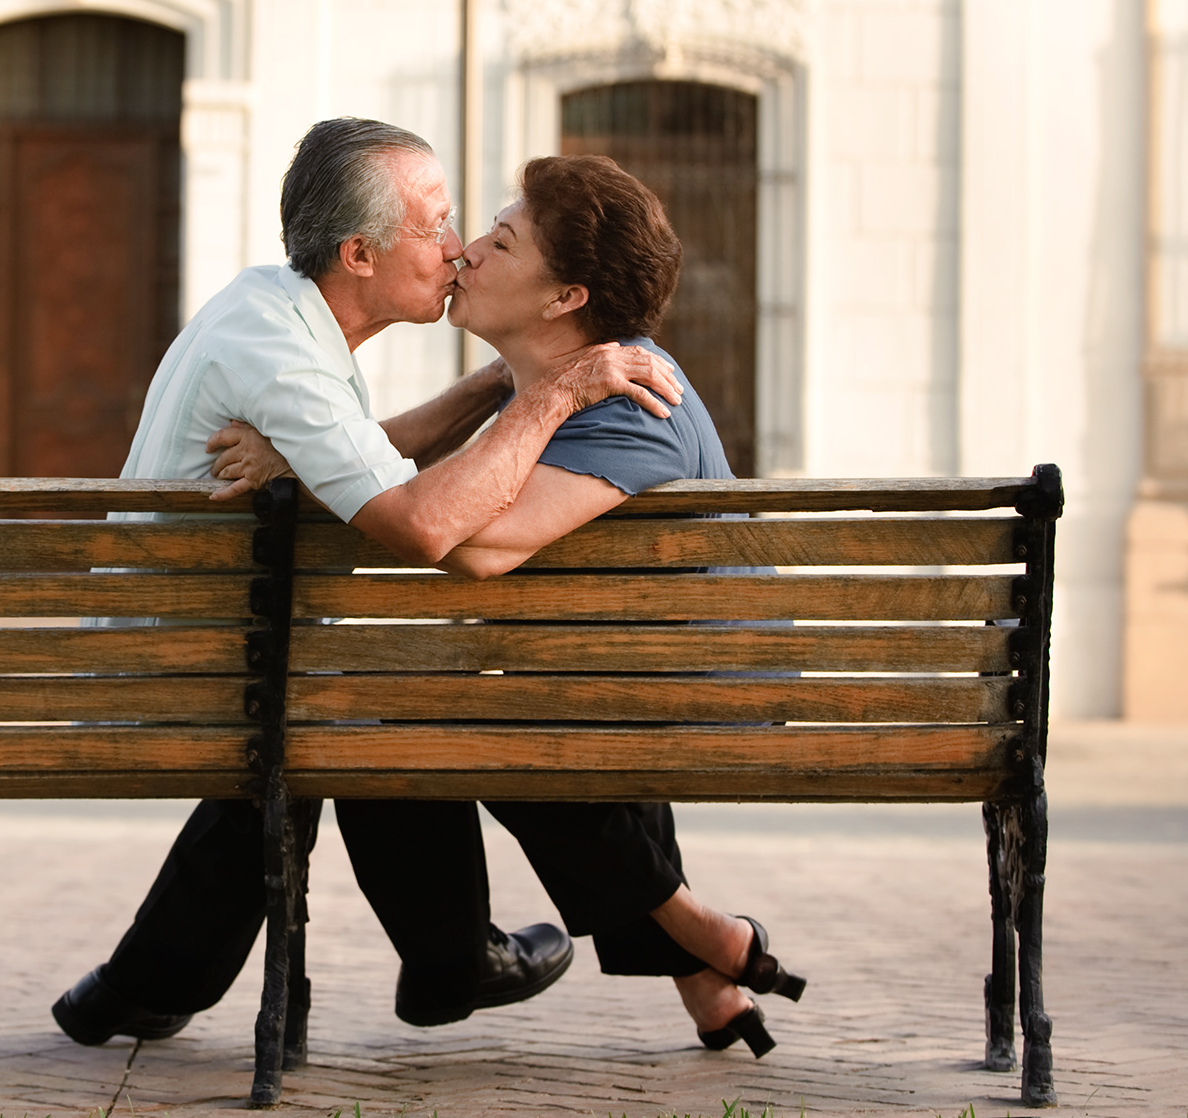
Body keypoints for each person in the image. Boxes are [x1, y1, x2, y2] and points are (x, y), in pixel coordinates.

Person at [50, 120, 685, 1047]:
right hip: (189, 669)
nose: (458, 248)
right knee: (374, 724)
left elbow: (364, 458)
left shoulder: (274, 309)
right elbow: (425, 525)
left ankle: (144, 985)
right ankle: (453, 959)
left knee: (350, 719)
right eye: (438, 225)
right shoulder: (286, 360)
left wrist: (493, 388)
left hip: (208, 646)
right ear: (359, 253)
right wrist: (554, 392)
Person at [208, 153, 808, 1057]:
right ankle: (699, 963)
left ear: (564, 299)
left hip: (702, 693)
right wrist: (311, 455)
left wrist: (311, 463)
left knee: (404, 721)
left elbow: (472, 543)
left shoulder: (625, 401)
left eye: (502, 240)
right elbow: (421, 485)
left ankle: (609, 942)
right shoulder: (557, 389)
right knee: (454, 704)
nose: (467, 252)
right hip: (625, 675)